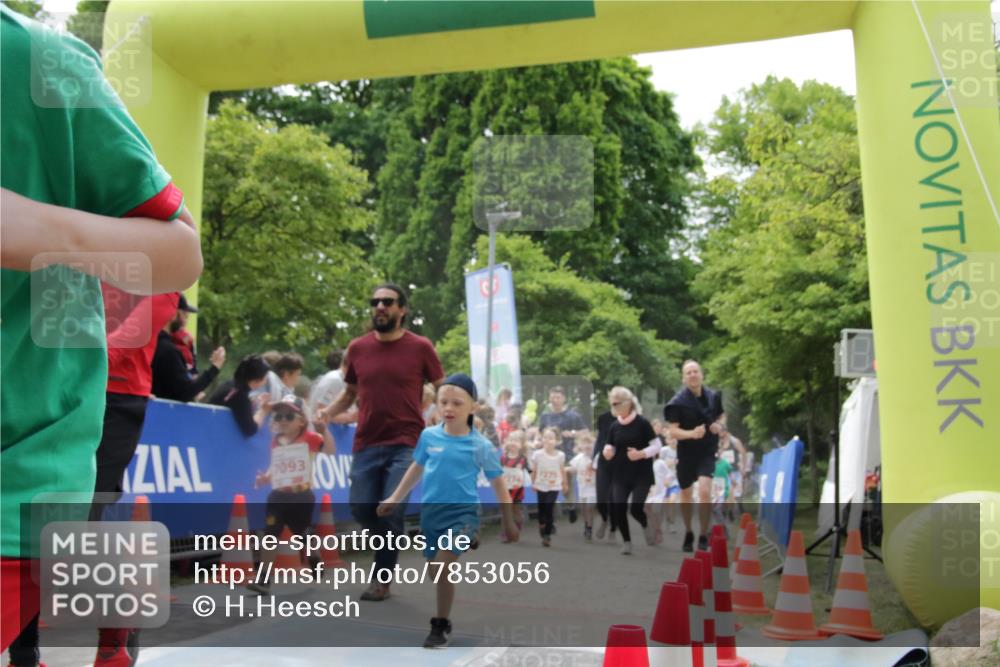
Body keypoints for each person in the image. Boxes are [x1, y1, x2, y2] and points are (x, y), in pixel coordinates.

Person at [1, 4, 203, 655]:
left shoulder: (43, 72)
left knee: (99, 514)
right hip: (97, 392)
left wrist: (52, 236)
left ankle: (115, 636)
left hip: (96, 403)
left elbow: (175, 256)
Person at [318, 284, 445, 601]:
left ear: (402, 309)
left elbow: (443, 389)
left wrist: (454, 420)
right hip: (366, 442)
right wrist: (326, 413)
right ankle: (390, 544)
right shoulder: (358, 348)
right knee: (361, 508)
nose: (380, 307)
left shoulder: (421, 347)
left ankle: (381, 578)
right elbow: (349, 394)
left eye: (387, 302)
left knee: (390, 509)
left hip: (406, 441)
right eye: (375, 302)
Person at [377, 374, 517, 649]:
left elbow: (499, 484)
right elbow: (416, 468)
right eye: (443, 402)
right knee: (436, 572)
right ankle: (445, 622)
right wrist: (394, 496)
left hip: (463, 512)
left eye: (457, 402)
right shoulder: (428, 436)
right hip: (432, 514)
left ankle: (439, 624)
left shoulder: (480, 445)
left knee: (441, 567)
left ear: (472, 407)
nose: (449, 408)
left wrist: (508, 521)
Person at [246, 395, 334, 595]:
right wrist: (265, 477)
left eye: (288, 416)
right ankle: (264, 578)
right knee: (271, 535)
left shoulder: (310, 439)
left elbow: (329, 451)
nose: (282, 420)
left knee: (302, 533)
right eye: (278, 417)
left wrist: (324, 431)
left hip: (301, 496)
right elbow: (276, 465)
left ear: (301, 421)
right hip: (278, 496)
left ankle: (313, 557)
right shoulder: (276, 441)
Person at [664, 360, 726, 552]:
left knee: (705, 490)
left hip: (707, 451)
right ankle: (689, 531)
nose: (692, 374)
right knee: (686, 493)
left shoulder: (713, 396)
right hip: (686, 452)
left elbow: (722, 415)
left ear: (701, 374)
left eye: (695, 371)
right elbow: (672, 431)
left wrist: (720, 426)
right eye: (688, 372)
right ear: (683, 378)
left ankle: (703, 534)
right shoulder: (677, 402)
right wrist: (691, 433)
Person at [602, 386, 661, 555]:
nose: (614, 406)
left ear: (628, 403)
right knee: (618, 507)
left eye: (617, 403)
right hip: (620, 474)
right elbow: (609, 445)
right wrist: (607, 452)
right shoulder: (614, 426)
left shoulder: (642, 423)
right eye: (612, 403)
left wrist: (641, 454)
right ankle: (627, 541)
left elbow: (657, 446)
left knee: (636, 508)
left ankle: (645, 524)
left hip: (641, 474)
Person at [150, 301, 225, 402]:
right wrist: (215, 367)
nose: (186, 321)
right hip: (163, 413)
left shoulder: (150, 342)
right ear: (173, 314)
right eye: (184, 315)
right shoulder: (168, 350)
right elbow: (186, 391)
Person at [538, 387, 586, 522]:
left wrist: (572, 433)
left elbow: (585, 432)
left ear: (564, 399)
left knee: (567, 482)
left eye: (558, 397)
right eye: (552, 397)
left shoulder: (573, 415)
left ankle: (571, 506)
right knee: (549, 485)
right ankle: (549, 518)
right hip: (549, 454)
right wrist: (538, 441)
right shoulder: (545, 416)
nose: (555, 400)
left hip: (567, 454)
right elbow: (539, 432)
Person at [208, 355, 271, 437]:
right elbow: (250, 430)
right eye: (266, 378)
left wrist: (251, 403)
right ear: (257, 380)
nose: (266, 381)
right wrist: (263, 411)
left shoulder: (229, 384)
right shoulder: (241, 396)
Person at [531, 426, 567, 547]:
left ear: (557, 441)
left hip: (554, 485)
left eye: (551, 438)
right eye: (545, 437)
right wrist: (533, 482)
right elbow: (534, 470)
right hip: (541, 485)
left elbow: (562, 470)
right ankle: (542, 524)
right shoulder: (537, 454)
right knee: (541, 509)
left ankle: (547, 535)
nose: (547, 440)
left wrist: (564, 483)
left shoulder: (560, 455)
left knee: (549, 508)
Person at [500, 431, 529, 541]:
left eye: (516, 441)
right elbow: (499, 471)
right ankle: (505, 533)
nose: (513, 443)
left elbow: (529, 471)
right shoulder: (503, 458)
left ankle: (519, 521)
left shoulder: (523, 459)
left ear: (521, 445)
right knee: (505, 510)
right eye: (511, 440)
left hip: (517, 489)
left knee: (515, 510)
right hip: (505, 488)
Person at [592, 409, 616, 541]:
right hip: (603, 460)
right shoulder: (603, 417)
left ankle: (613, 528)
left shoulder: (631, 420)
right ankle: (605, 519)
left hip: (620, 463)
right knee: (601, 497)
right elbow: (600, 438)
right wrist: (593, 457)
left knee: (614, 497)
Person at [568, 431, 598, 541]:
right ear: (580, 446)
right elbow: (571, 469)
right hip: (582, 486)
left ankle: (590, 527)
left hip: (593, 487)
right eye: (584, 443)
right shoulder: (578, 458)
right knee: (584, 507)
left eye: (589, 443)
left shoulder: (596, 457)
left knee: (590, 507)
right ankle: (587, 524)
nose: (587, 446)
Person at [169, 294, 199, 376]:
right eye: (184, 315)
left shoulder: (188, 340)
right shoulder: (161, 340)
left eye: (187, 316)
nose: (185, 321)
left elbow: (194, 369)